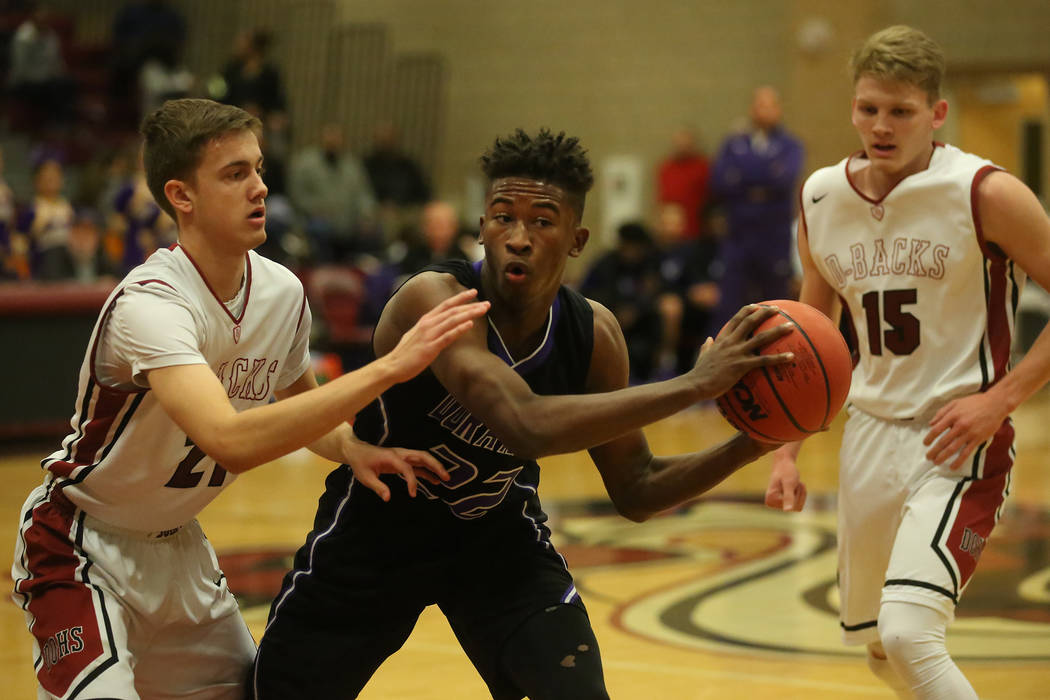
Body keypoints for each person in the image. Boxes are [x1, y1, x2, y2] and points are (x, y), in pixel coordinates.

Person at [252, 128, 797, 698]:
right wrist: (693, 385)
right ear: (482, 225)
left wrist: (751, 443)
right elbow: (522, 422)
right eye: (503, 216)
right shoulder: (434, 300)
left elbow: (637, 489)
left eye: (541, 220)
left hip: (495, 540)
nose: (518, 237)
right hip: (376, 533)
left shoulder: (595, 336)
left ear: (577, 238)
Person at [10, 98, 489, 699]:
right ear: (181, 196)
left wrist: (352, 449)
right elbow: (229, 440)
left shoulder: (282, 291)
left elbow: (302, 407)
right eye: (235, 174)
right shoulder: (151, 305)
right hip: (82, 545)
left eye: (259, 169)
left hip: (179, 547)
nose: (259, 187)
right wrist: (391, 368)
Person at [764, 26, 1050, 700]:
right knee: (878, 649)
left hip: (959, 437)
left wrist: (1000, 400)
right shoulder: (821, 198)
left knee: (909, 635)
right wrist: (785, 451)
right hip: (867, 435)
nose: (881, 126)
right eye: (869, 109)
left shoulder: (987, 192)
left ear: (937, 113)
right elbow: (812, 340)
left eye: (901, 111)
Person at [709, 85, 804, 330]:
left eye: (769, 105)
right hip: (738, 235)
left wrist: (743, 177)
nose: (763, 111)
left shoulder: (790, 145)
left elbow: (783, 180)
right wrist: (764, 180)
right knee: (729, 304)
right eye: (759, 105)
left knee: (775, 304)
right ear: (752, 109)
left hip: (773, 237)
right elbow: (720, 181)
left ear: (778, 110)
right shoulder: (734, 143)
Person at [656, 126, 710, 239]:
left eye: (686, 143)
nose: (682, 147)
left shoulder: (703, 167)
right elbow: (662, 199)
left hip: (696, 228)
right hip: (670, 232)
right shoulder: (666, 168)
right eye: (679, 143)